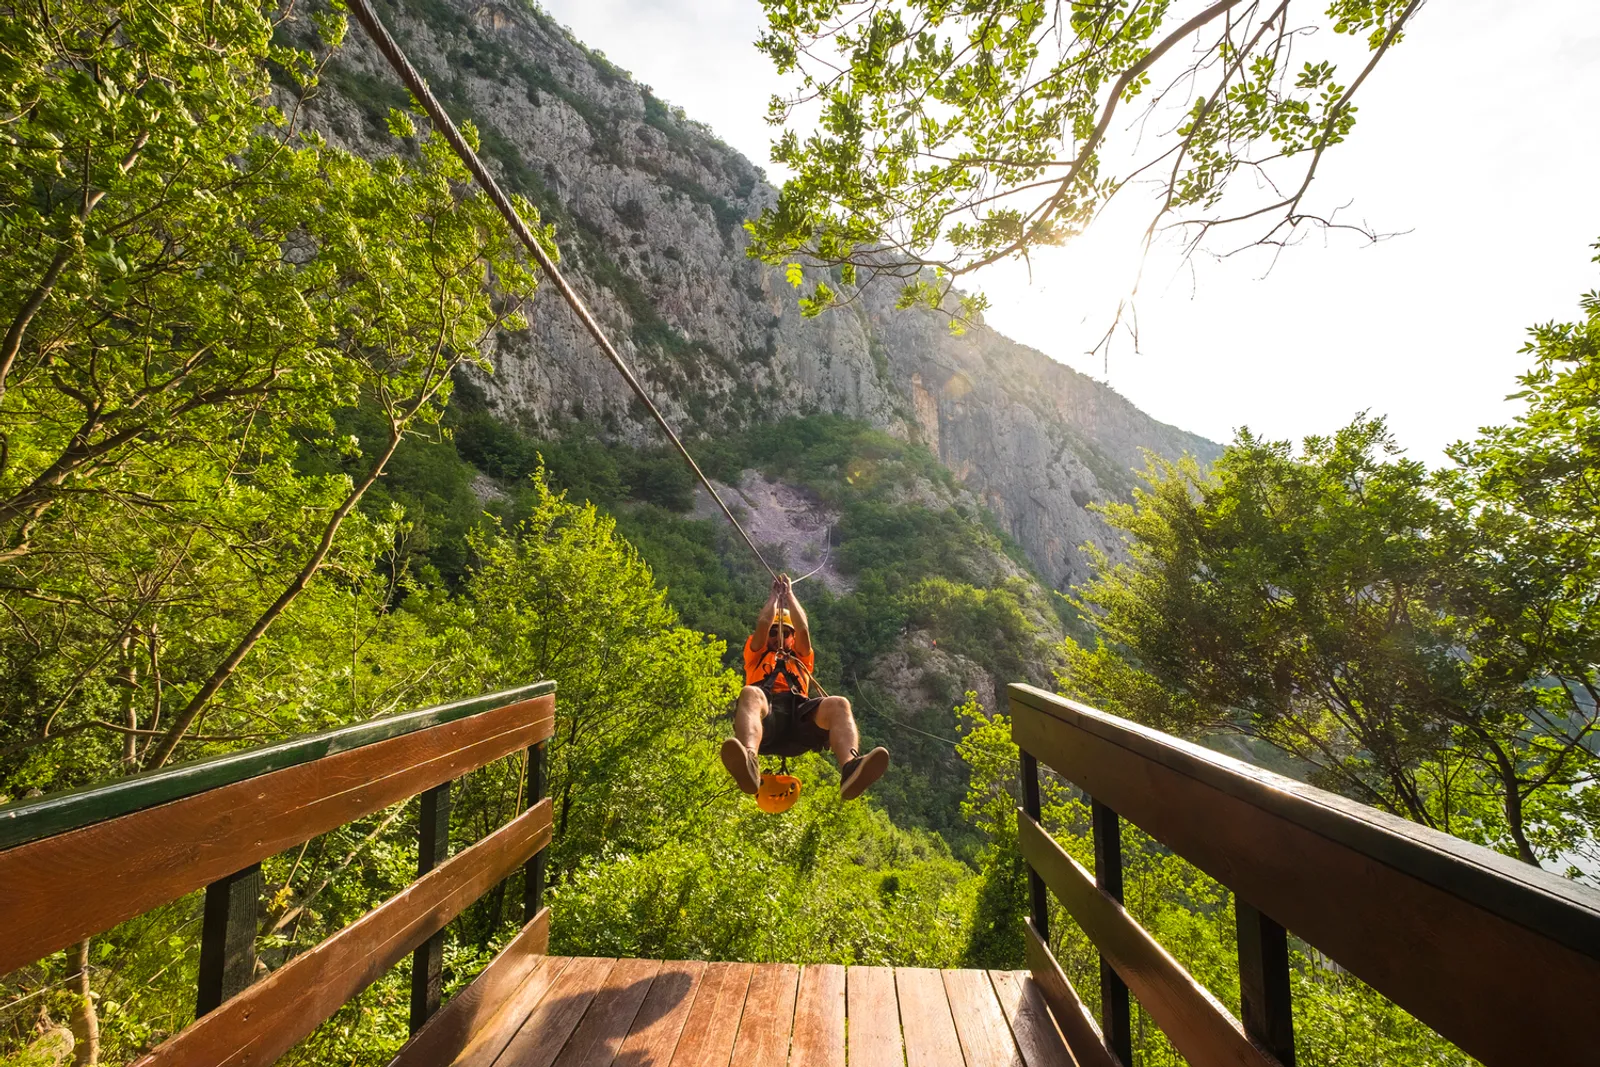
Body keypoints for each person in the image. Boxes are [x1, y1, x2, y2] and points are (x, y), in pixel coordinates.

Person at [720, 573, 890, 801]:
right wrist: (773, 597)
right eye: (773, 632)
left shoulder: (802, 658)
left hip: (799, 722)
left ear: (792, 637)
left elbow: (803, 629)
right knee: (750, 693)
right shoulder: (756, 656)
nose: (777, 636)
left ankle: (850, 767)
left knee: (839, 704)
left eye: (784, 632)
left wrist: (789, 595)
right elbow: (762, 624)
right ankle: (749, 760)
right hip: (767, 721)